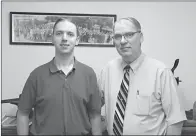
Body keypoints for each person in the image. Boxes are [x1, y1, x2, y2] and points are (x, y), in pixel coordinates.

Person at [98, 17, 187, 135]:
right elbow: (94, 106)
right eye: (118, 36)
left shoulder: (161, 72)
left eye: (129, 34)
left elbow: (175, 121)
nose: (123, 41)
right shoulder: (108, 70)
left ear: (141, 37)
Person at [17, 18, 102, 135]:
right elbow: (23, 113)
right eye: (59, 33)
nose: (64, 38)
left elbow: (95, 115)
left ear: (77, 40)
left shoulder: (89, 74)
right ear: (52, 38)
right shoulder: (36, 75)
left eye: (70, 34)